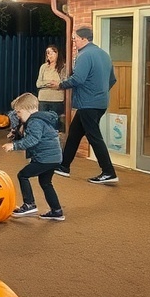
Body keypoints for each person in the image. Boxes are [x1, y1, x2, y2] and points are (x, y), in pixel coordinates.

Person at [49, 25, 118, 185]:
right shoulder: (104, 54)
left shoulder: (85, 55)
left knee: (94, 137)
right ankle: (64, 166)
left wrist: (60, 84)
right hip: (99, 103)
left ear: (84, 39)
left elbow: (78, 79)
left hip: (88, 103)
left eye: (75, 39)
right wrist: (100, 92)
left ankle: (109, 172)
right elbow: (112, 80)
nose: (74, 42)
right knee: (74, 133)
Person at [2, 92, 64, 221]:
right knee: (46, 183)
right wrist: (16, 136)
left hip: (45, 158)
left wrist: (14, 146)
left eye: (19, 113)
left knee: (23, 175)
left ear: (28, 110)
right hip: (53, 157)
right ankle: (57, 211)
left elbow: (32, 140)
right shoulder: (40, 119)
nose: (17, 116)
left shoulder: (35, 121)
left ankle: (29, 204)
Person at [36, 44, 67, 129]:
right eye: (48, 53)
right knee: (42, 122)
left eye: (53, 53)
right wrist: (49, 83)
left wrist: (57, 84)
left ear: (57, 54)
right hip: (43, 99)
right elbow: (38, 83)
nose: (50, 55)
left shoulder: (63, 67)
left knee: (54, 123)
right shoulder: (43, 67)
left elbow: (64, 82)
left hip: (56, 99)